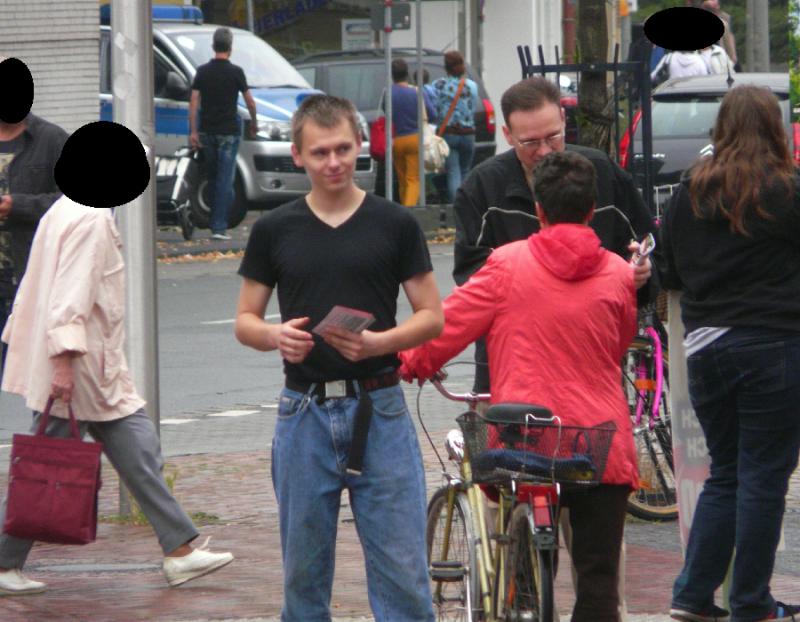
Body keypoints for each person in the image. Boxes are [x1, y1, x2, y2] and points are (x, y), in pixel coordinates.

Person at [401, 150, 639, 622]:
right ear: (592, 210)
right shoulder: (618, 272)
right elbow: (620, 341)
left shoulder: (506, 264)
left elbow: (449, 327)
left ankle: (526, 598)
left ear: (539, 210)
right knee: (598, 586)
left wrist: (410, 362)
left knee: (523, 577)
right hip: (599, 444)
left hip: (524, 439)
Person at [0, 120, 234, 595]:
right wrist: (64, 359)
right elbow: (71, 294)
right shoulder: (90, 219)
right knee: (60, 463)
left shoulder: (66, 210)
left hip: (83, 368)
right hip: (82, 368)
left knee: (128, 452)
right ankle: (5, 562)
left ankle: (179, 549)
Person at [234, 94, 443, 621]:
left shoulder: (394, 223)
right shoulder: (274, 229)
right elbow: (246, 321)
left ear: (362, 145)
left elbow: (431, 316)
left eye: (343, 149)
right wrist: (275, 336)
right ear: (298, 155)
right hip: (302, 411)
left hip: (381, 406)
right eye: (321, 152)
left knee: (403, 573)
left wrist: (378, 343)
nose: (334, 163)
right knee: (303, 575)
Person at [660, 85, 800, 622]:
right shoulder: (786, 191)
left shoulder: (686, 193)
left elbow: (668, 274)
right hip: (774, 344)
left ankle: (694, 597)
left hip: (706, 347)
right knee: (764, 476)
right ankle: (751, 603)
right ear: (775, 129)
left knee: (727, 472)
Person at [453, 76, 655, 396]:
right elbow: (470, 277)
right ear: (507, 136)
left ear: (563, 118)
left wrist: (641, 268)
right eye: (530, 142)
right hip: (510, 365)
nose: (545, 151)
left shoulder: (602, 173)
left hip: (589, 364)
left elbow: (646, 243)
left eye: (553, 137)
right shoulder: (482, 187)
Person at [0, 57, 67, 377]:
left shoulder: (51, 140)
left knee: (39, 379)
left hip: (28, 278)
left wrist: (19, 206)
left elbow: (76, 204)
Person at [189, 27, 258, 240]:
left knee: (213, 177)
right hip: (229, 132)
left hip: (207, 131)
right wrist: (254, 123)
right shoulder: (236, 72)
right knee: (224, 180)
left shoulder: (202, 72)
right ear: (230, 48)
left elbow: (193, 102)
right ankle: (218, 227)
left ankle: (214, 220)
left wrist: (193, 131)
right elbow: (250, 102)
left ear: (213, 46)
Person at [431, 50, 479, 203]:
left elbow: (434, 107)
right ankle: (467, 205)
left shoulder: (438, 85)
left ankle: (455, 208)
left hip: (449, 134)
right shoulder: (472, 86)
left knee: (453, 172)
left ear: (446, 67)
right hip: (468, 133)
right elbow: (472, 108)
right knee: (465, 171)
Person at [390, 58, 434, 206]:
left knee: (402, 181)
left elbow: (386, 114)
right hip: (414, 138)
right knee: (413, 179)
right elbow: (432, 113)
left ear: (392, 75)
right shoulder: (415, 93)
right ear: (407, 74)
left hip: (396, 140)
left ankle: (403, 209)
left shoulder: (387, 94)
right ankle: (409, 212)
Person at [702, 0, 739, 72]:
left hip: (711, 55)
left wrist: (733, 55)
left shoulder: (726, 18)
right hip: (717, 55)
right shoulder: (724, 23)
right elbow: (728, 41)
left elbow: (729, 38)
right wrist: (732, 55)